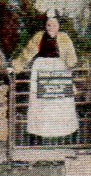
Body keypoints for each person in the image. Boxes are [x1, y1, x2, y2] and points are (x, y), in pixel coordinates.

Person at [11, 11, 79, 139]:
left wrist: (70, 65)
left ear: (58, 26)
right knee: (41, 101)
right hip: (41, 68)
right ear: (45, 26)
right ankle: (39, 133)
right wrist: (17, 65)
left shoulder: (64, 37)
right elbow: (27, 52)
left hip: (59, 69)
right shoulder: (39, 36)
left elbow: (70, 54)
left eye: (54, 25)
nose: (51, 28)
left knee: (60, 100)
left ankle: (63, 132)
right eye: (48, 25)